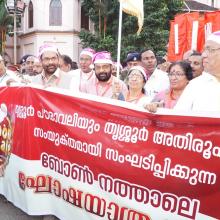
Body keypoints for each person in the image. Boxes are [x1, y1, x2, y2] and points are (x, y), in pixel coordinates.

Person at [174, 31, 220, 112]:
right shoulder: (196, 85)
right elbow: (177, 118)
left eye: (210, 50)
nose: (203, 55)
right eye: (205, 50)